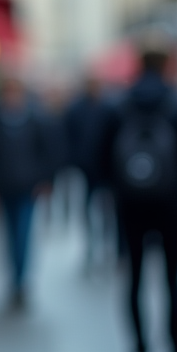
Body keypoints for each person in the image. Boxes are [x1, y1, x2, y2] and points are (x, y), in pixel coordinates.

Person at [99, 46, 177, 352]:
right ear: (164, 65)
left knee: (133, 281)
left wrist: (118, 187)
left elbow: (102, 155)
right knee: (170, 282)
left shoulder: (119, 104)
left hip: (129, 205)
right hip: (167, 203)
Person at [0, 75, 56, 310]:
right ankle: (14, 278)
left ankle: (21, 281)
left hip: (27, 187)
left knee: (23, 234)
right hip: (3, 187)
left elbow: (46, 152)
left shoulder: (35, 119)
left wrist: (46, 180)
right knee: (8, 236)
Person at [63, 75, 114, 269]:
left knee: (105, 209)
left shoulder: (107, 108)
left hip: (103, 169)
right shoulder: (77, 109)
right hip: (86, 167)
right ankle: (92, 246)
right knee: (88, 208)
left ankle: (104, 244)